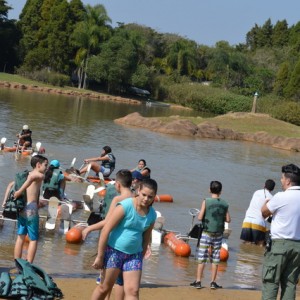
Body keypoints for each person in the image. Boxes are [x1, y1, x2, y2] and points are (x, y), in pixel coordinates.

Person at [91, 178, 158, 300]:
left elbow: (146, 238)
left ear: (154, 197)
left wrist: (140, 258)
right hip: (114, 252)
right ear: (138, 190)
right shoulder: (125, 206)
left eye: (150, 197)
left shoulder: (152, 215)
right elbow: (106, 229)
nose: (146, 199)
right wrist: (100, 256)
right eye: (144, 195)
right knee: (104, 288)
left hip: (134, 256)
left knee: (133, 291)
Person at [261, 164, 300, 300]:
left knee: (271, 282)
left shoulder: (280, 196)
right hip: (297, 247)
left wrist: (267, 202)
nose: (281, 180)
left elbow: (264, 212)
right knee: (290, 283)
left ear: (288, 181)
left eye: (282, 178)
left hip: (279, 246)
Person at [190, 180, 231, 290]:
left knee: (202, 256)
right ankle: (213, 282)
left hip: (206, 232)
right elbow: (228, 219)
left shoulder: (206, 201)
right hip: (218, 234)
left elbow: (199, 217)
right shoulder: (225, 203)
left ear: (209, 189)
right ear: (221, 191)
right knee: (215, 258)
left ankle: (198, 281)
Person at [12, 155, 48, 263]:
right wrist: (19, 192)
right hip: (31, 209)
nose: (47, 168)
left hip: (22, 207)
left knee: (21, 236)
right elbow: (31, 179)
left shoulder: (27, 174)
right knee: (33, 239)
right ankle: (29, 266)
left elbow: (13, 183)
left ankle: (17, 262)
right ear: (38, 165)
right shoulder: (40, 175)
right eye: (46, 165)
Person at [240, 179, 276, 246]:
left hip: (247, 220)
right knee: (260, 244)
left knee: (246, 245)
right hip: (258, 222)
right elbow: (268, 215)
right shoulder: (272, 198)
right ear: (273, 189)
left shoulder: (256, 192)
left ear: (264, 185)